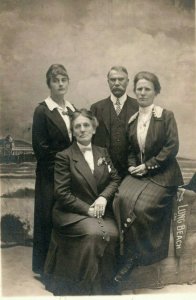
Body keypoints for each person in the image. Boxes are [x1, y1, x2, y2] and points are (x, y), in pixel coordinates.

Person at [113, 71, 184, 282]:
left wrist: (149, 166)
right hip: (140, 173)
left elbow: (172, 147)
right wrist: (133, 166)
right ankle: (123, 251)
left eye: (147, 89)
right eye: (139, 89)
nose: (142, 93)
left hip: (164, 174)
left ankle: (141, 256)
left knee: (143, 208)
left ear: (156, 92)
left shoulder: (165, 116)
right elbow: (131, 151)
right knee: (119, 199)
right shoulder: (132, 119)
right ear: (134, 91)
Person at [44, 109, 121, 295]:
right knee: (95, 234)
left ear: (94, 129)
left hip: (99, 211)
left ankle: (105, 288)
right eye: (77, 126)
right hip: (71, 213)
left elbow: (115, 179)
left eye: (86, 125)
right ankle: (83, 289)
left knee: (114, 233)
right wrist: (88, 210)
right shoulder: (64, 156)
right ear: (72, 131)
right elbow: (62, 193)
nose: (82, 129)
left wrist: (103, 197)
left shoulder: (103, 152)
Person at [32, 64, 75, 276]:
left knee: (66, 216)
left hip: (71, 174)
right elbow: (41, 149)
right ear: (49, 84)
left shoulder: (72, 109)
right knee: (48, 216)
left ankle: (63, 265)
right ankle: (43, 268)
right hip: (50, 174)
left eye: (63, 80)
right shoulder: (42, 110)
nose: (60, 84)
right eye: (56, 80)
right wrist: (64, 168)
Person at [91, 66, 138, 178]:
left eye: (121, 79)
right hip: (103, 171)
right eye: (113, 80)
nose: (117, 83)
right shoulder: (96, 108)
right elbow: (90, 140)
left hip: (131, 171)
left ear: (127, 81)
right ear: (108, 82)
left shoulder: (138, 107)